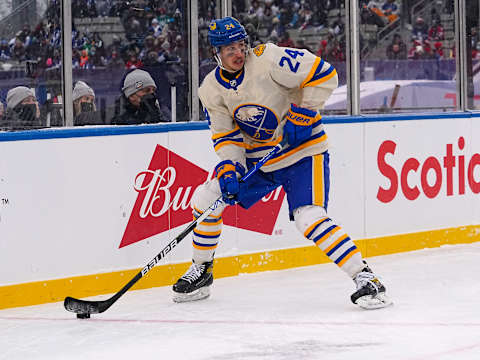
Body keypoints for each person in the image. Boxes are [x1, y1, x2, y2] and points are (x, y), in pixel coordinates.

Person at [172, 17, 392, 310]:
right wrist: (230, 168)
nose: (238, 53)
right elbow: (226, 136)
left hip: (302, 152)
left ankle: (366, 278)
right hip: (259, 159)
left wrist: (304, 113)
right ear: (216, 53)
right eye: (229, 49)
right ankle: (202, 271)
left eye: (241, 45)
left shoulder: (269, 58)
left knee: (309, 218)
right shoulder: (210, 89)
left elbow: (324, 73)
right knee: (206, 198)